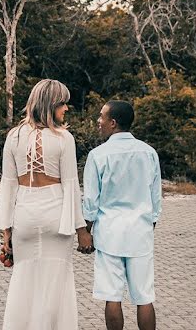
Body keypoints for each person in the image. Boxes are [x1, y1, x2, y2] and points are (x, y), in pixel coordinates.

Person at [0, 79, 93, 329]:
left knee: (23, 281)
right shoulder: (64, 138)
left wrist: (6, 230)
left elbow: (8, 184)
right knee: (56, 284)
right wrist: (82, 230)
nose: (66, 109)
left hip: (24, 215)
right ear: (50, 105)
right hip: (56, 216)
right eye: (62, 104)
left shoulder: (13, 136)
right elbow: (71, 185)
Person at [82, 100, 162, 330]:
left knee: (112, 297)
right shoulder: (149, 153)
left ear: (113, 123)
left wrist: (87, 230)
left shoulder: (98, 155)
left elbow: (91, 201)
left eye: (102, 117)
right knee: (144, 297)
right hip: (140, 232)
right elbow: (155, 197)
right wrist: (149, 223)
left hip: (110, 233)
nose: (98, 121)